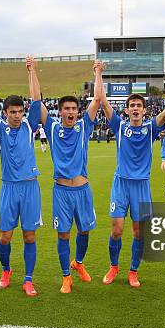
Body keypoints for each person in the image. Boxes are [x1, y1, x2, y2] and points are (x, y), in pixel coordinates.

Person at [100, 77, 165, 288]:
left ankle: (133, 271)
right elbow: (103, 101)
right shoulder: (119, 127)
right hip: (121, 184)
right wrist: (99, 73)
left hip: (141, 186)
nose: (135, 108)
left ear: (144, 110)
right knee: (117, 230)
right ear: (127, 111)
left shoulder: (151, 129)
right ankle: (113, 266)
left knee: (139, 232)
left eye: (139, 105)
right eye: (132, 106)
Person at [37, 59, 102, 293]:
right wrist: (32, 70)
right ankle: (66, 276)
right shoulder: (52, 128)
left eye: (74, 108)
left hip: (83, 190)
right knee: (63, 233)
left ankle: (79, 263)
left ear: (78, 111)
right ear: (61, 111)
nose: (71, 112)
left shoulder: (84, 127)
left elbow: (97, 100)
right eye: (67, 108)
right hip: (62, 191)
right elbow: (37, 102)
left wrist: (97, 72)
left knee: (84, 231)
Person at [0, 55, 42, 297]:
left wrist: (32, 71)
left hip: (30, 187)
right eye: (13, 112)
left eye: (20, 111)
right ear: (6, 113)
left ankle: (28, 279)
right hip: (9, 188)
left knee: (29, 235)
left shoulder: (30, 126)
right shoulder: (0, 129)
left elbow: (37, 100)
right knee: (5, 236)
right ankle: (6, 270)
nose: (17, 115)